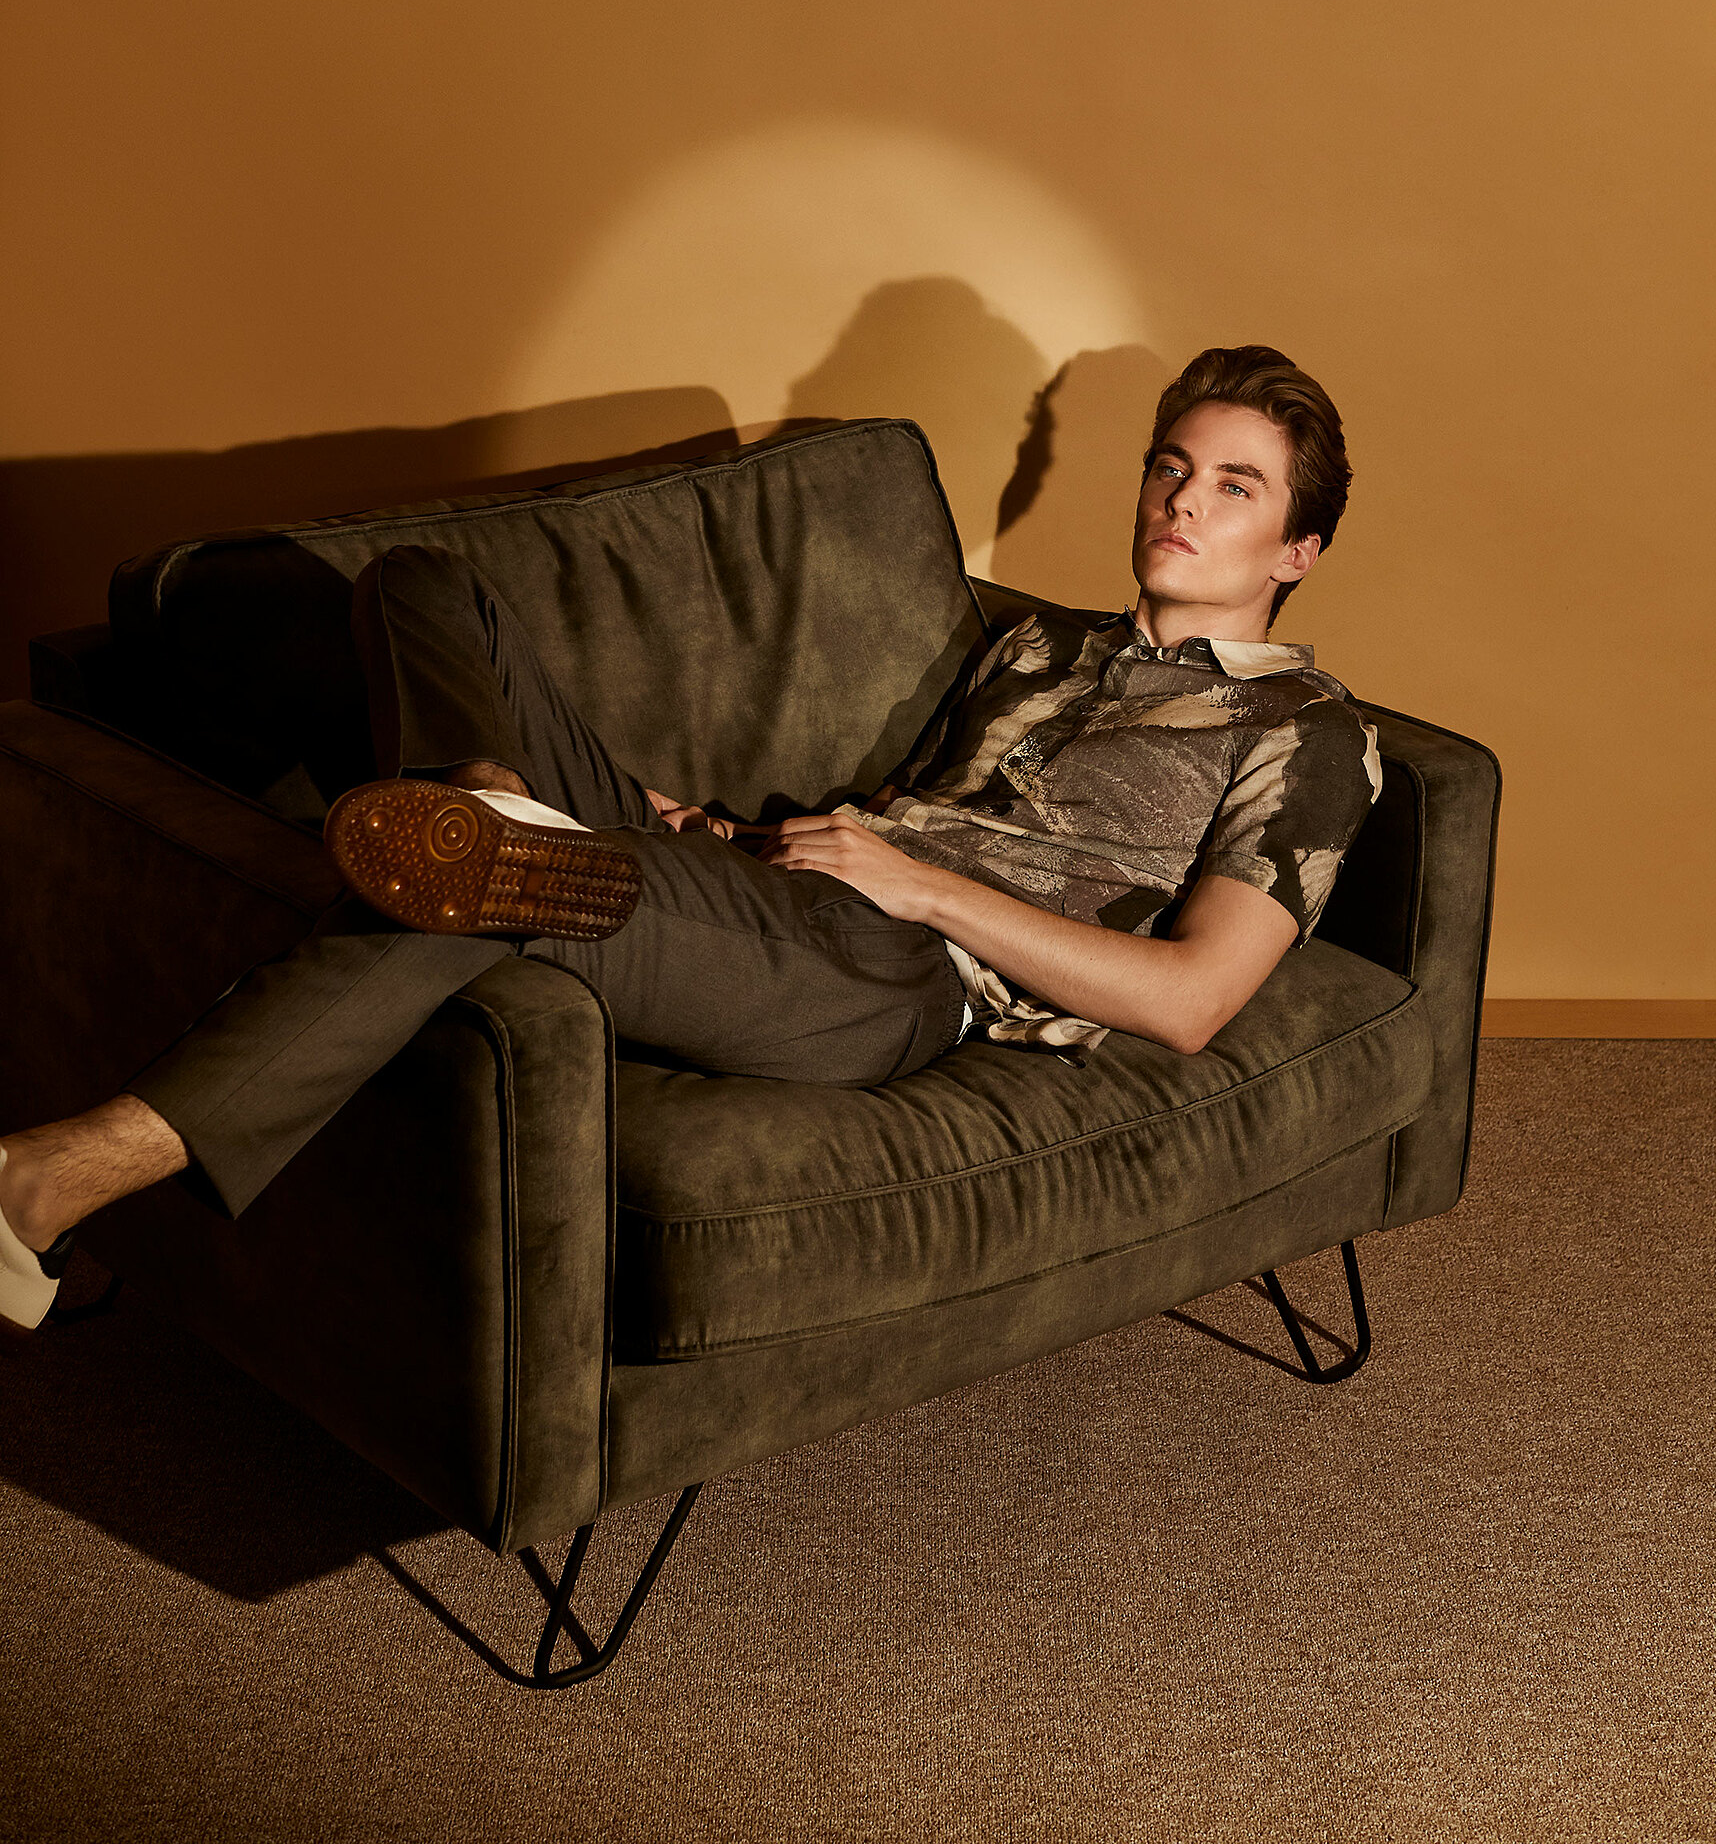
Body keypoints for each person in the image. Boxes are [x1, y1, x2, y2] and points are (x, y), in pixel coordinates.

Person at [0, 345, 1381, 1332]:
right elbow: (908, 804)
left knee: (492, 893)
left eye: (1235, 488)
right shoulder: (1037, 644)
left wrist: (918, 889)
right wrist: (725, 828)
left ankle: (51, 1176)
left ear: (1294, 551)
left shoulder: (1310, 736)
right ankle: (488, 801)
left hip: (900, 981)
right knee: (426, 588)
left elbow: (1192, 1000)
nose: (1183, 504)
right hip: (781, 883)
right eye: (1171, 468)